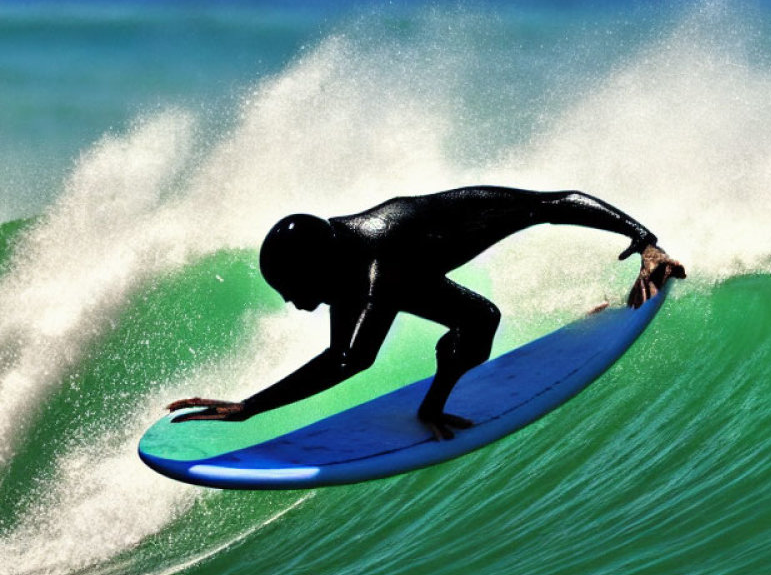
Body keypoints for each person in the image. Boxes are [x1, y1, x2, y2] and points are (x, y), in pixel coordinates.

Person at [167, 186, 685, 439]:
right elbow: (339, 354)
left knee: (481, 320)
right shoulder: (343, 260)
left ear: (319, 268)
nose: (291, 302)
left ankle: (431, 408)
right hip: (405, 262)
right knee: (475, 320)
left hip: (433, 235)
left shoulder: (374, 266)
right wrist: (248, 406)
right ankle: (432, 408)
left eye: (294, 288)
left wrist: (644, 242)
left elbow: (352, 360)